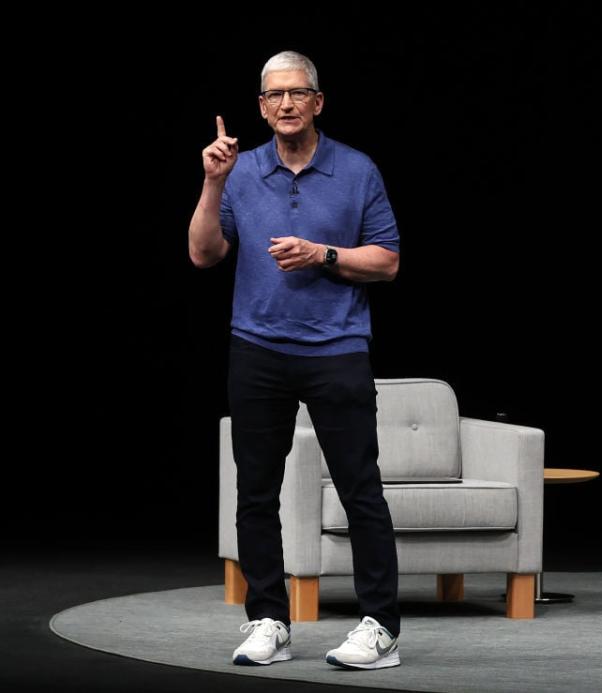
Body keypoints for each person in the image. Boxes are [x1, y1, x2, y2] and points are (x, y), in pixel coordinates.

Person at [188, 50, 402, 670]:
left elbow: (387, 261)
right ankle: (268, 620)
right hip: (256, 349)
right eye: (274, 95)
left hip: (337, 349)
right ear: (261, 107)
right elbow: (204, 255)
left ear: (317, 102)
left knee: (361, 489)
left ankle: (380, 627)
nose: (286, 104)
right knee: (256, 492)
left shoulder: (357, 170)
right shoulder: (240, 170)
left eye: (297, 93)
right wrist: (212, 182)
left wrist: (322, 255)